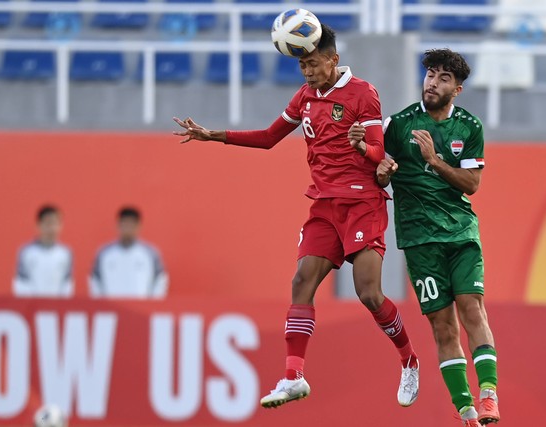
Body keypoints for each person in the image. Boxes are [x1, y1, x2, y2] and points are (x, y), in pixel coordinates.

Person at [173, 24, 419, 409]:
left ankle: (409, 359)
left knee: (369, 293)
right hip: (323, 206)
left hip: (361, 203)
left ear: (333, 60)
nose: (307, 72)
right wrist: (214, 135)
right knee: (302, 280)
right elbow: (271, 137)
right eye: (302, 65)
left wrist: (361, 145)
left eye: (313, 64)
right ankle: (293, 377)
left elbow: (378, 153)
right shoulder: (304, 96)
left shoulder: (363, 93)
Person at [376, 49, 499, 427]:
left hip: (461, 233)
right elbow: (378, 176)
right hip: (418, 240)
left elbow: (473, 185)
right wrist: (383, 172)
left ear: (457, 89)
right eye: (431, 74)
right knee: (442, 326)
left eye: (444, 78)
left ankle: (490, 395)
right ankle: (466, 410)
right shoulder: (397, 125)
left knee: (471, 307)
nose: (433, 82)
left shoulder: (469, 128)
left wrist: (434, 160)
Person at [89, 206, 168, 299]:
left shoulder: (151, 254)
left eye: (131, 225)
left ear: (138, 226)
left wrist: (152, 305)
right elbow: (95, 281)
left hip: (141, 310)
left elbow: (160, 280)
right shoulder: (104, 253)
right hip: (111, 309)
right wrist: (101, 305)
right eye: (125, 224)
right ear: (118, 225)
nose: (128, 229)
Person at [13, 205, 74, 297]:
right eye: (48, 224)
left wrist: (61, 306)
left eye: (55, 223)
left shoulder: (65, 253)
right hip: (32, 307)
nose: (52, 228)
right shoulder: (27, 252)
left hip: (56, 307)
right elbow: (21, 282)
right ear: (38, 225)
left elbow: (67, 284)